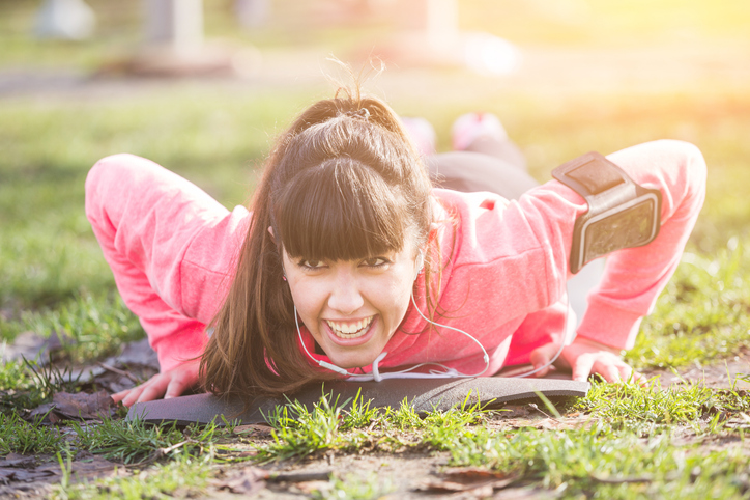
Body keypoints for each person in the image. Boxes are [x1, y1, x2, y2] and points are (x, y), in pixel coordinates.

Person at [84, 88, 706, 408]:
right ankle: (408, 141)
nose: (345, 302)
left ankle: (479, 128)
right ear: (277, 246)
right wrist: (187, 346)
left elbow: (679, 169)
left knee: (489, 157)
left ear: (422, 246)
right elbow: (108, 182)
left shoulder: (509, 253)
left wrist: (603, 335)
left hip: (476, 189)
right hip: (372, 196)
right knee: (382, 181)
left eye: (374, 265)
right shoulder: (225, 269)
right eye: (313, 265)